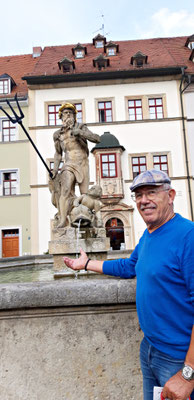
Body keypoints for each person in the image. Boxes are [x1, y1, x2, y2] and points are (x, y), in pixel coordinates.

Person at [64, 169, 194, 400]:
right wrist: (86, 264)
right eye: (139, 195)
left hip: (177, 357)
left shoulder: (188, 236)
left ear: (171, 195)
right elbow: (129, 266)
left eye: (152, 192)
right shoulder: (149, 234)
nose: (144, 200)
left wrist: (187, 375)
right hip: (150, 348)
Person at [51, 103, 100, 228]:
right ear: (61, 116)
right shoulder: (58, 134)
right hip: (68, 164)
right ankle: (63, 220)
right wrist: (55, 170)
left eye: (71, 113)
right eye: (66, 113)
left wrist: (80, 133)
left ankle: (91, 221)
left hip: (82, 163)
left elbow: (96, 139)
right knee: (65, 191)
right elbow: (58, 154)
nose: (68, 115)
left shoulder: (81, 127)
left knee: (85, 194)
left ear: (74, 116)